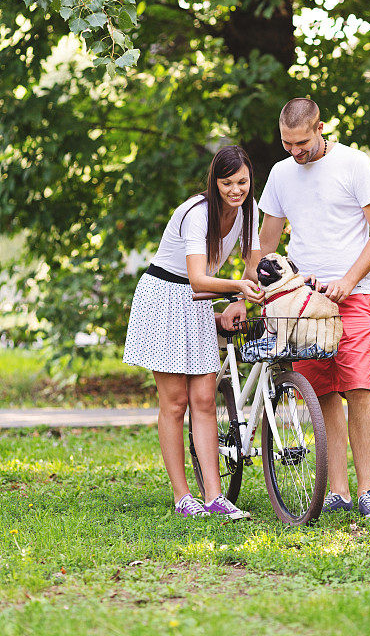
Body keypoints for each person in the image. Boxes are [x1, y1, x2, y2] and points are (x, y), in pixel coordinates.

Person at [258, 98, 370, 517]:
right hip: (300, 301)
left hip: (352, 296)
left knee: (358, 387)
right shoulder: (281, 174)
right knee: (322, 393)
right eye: (286, 143)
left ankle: (367, 490)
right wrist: (262, 284)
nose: (294, 152)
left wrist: (348, 281)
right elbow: (267, 241)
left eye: (300, 142)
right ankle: (338, 490)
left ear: (320, 128)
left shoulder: (354, 165)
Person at [123, 146, 263, 520]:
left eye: (243, 182)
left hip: (197, 301)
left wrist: (241, 300)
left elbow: (253, 267)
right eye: (228, 183)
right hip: (165, 295)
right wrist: (235, 286)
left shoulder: (249, 212)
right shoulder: (196, 213)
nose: (236, 190)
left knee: (203, 401)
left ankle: (214, 497)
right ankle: (183, 496)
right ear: (214, 183)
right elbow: (198, 276)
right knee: (175, 403)